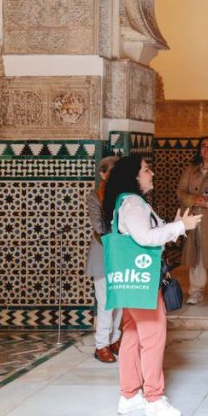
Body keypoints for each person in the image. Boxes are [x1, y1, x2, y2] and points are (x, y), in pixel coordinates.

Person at [102, 154, 201, 416]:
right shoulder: (133, 202)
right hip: (143, 281)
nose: (151, 174)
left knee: (132, 334)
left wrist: (175, 226)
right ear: (133, 176)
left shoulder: (129, 202)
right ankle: (154, 399)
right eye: (146, 170)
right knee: (153, 337)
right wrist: (182, 226)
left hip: (131, 279)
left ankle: (129, 395)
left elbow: (149, 232)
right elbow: (145, 238)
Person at [177, 136, 208, 307]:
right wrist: (193, 199)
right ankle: (196, 291)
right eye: (203, 146)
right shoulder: (190, 170)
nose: (206, 149)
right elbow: (181, 192)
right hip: (194, 218)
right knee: (196, 256)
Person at [86, 155, 122, 363]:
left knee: (120, 301)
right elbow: (99, 226)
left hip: (121, 254)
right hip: (103, 253)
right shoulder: (94, 196)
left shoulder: (124, 195)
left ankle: (115, 338)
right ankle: (101, 345)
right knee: (106, 302)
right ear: (102, 173)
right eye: (112, 171)